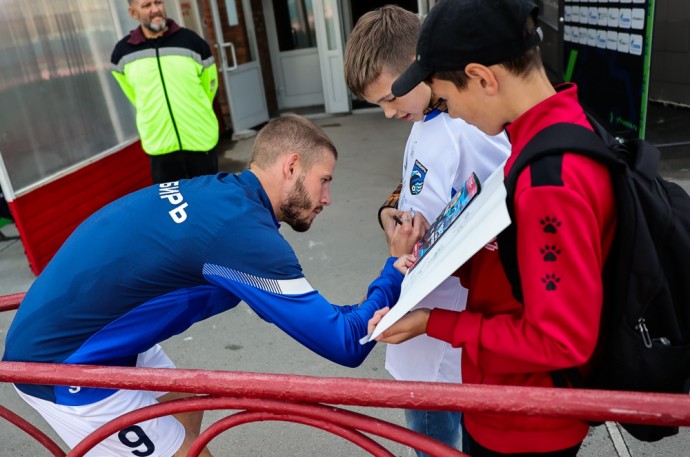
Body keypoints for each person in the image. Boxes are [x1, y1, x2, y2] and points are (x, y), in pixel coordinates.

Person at [2, 114, 424, 457]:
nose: (327, 198)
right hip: (62, 365)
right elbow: (345, 342)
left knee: (188, 402)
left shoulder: (221, 191)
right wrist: (394, 270)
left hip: (93, 332)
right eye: (324, 180)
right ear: (291, 166)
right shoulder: (243, 236)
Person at [371, 0, 618, 456]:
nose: (451, 113)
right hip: (509, 403)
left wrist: (434, 321)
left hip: (526, 421)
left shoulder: (549, 180)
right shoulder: (545, 134)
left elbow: (558, 339)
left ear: (483, 78)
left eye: (447, 95)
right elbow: (514, 266)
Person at [343, 6, 510, 456]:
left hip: (444, 324)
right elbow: (420, 185)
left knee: (435, 439)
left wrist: (407, 250)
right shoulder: (429, 116)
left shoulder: (464, 127)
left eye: (389, 99)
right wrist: (389, 210)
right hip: (436, 320)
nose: (386, 113)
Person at [111, 0, 220, 184]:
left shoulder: (193, 43)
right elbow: (134, 95)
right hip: (160, 147)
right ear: (133, 12)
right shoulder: (122, 55)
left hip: (200, 140)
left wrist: (194, 110)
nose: (155, 10)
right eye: (147, 5)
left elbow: (209, 87)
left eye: (158, 2)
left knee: (207, 204)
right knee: (172, 208)